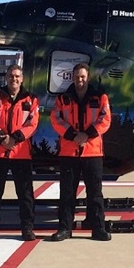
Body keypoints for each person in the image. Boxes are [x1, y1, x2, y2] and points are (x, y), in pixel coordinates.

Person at [49, 63, 112, 241]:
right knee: (67, 192)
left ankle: (98, 227)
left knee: (95, 193)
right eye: (77, 77)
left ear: (88, 77)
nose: (80, 80)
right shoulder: (63, 98)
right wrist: (71, 135)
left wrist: (87, 135)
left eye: (83, 77)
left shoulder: (100, 97)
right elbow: (56, 119)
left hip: (92, 152)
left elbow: (105, 119)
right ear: (73, 78)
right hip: (69, 152)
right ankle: (64, 228)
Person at [0, 64, 39, 242]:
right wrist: (1, 139)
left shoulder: (31, 99)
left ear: (22, 79)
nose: (14, 79)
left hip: (20, 153)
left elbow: (32, 122)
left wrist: (14, 139)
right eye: (11, 76)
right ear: (6, 78)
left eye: (17, 76)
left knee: (25, 194)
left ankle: (27, 228)